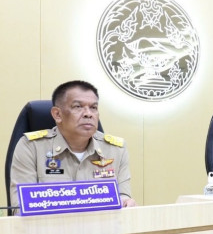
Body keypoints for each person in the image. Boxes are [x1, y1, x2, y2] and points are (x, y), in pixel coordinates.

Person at [10, 80, 136, 208]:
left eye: (93, 108)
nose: (88, 114)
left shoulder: (116, 149)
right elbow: (21, 207)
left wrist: (126, 203)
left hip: (102, 221)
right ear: (57, 114)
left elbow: (123, 196)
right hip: (50, 221)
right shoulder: (31, 147)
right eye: (78, 107)